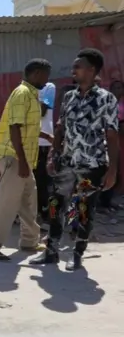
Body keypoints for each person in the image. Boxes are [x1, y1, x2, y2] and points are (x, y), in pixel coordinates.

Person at [30, 48, 119, 271]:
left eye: (78, 67)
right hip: (67, 163)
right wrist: (53, 153)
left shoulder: (106, 99)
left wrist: (113, 169)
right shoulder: (69, 96)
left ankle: (77, 254)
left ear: (92, 70)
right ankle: (51, 252)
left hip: (92, 166)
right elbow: (60, 129)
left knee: (83, 210)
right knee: (55, 206)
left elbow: (112, 134)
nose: (73, 70)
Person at [0, 59, 51, 261]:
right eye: (46, 75)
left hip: (23, 158)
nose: (47, 80)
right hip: (13, 156)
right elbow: (15, 128)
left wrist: (48, 138)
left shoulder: (31, 94)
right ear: (36, 73)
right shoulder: (22, 93)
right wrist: (21, 161)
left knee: (29, 200)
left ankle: (29, 242)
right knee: (5, 202)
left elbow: (29, 127)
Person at [99, 79, 124, 210]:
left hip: (118, 142)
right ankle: (103, 202)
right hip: (107, 141)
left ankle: (108, 200)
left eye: (120, 87)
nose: (118, 90)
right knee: (108, 169)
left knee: (116, 170)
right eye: (116, 88)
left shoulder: (120, 104)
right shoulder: (108, 104)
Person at [35, 82, 55, 221]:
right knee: (35, 181)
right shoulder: (25, 89)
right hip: (31, 142)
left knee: (47, 181)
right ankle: (40, 212)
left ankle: (47, 213)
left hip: (45, 142)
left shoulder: (49, 87)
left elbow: (42, 110)